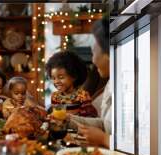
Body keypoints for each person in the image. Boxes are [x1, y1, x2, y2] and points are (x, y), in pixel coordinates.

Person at [68, 17, 111, 148]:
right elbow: (105, 124)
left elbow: (144, 146)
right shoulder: (111, 84)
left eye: (94, 50)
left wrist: (104, 139)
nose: (93, 60)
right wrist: (68, 120)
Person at [45, 50, 97, 117]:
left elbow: (90, 117)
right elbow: (54, 115)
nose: (56, 81)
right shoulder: (55, 96)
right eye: (53, 78)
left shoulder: (82, 96)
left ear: (74, 76)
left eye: (61, 77)